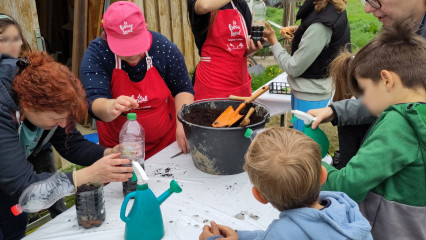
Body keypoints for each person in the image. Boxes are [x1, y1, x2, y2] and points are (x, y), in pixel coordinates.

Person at [0, 51, 133, 240]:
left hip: (9, 187)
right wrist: (88, 175)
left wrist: (107, 153)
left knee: (15, 230)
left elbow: (71, 144)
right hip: (14, 182)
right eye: (56, 119)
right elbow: (23, 186)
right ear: (29, 106)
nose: (63, 125)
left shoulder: (47, 99)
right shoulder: (3, 109)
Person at [320, 21, 426, 239]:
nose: (364, 103)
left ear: (387, 80)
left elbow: (347, 186)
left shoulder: (400, 123)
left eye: (365, 92)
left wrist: (311, 163)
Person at [199, 127, 372, 240]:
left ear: (260, 196)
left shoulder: (282, 233)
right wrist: (239, 236)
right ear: (323, 175)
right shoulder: (346, 207)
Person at [81, 1, 194, 158]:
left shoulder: (163, 47)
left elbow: (182, 89)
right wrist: (110, 106)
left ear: (146, 26)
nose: (133, 55)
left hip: (165, 143)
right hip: (120, 148)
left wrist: (183, 122)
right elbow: (94, 102)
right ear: (106, 36)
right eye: (124, 49)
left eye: (136, 45)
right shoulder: (98, 54)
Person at [308, 0, 426, 131]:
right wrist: (336, 111)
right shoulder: (400, 27)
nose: (368, 9)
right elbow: (390, 97)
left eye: (376, 0)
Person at [0, 13, 69, 218]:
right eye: (4, 39)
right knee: (18, 197)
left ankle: (59, 216)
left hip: (38, 146)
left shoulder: (29, 69)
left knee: (48, 190)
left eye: (16, 38)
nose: (12, 45)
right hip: (12, 154)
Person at [262, 0, 350, 131]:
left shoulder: (321, 24)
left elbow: (293, 68)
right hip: (307, 91)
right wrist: (301, 33)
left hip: (310, 94)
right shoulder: (333, 6)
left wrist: (273, 40)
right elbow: (320, 37)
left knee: (304, 145)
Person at [187, 0, 261, 100]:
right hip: (211, 84)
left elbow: (245, 46)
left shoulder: (240, 4)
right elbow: (203, 6)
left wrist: (253, 48)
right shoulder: (202, 3)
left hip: (240, 83)